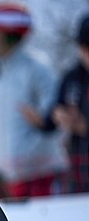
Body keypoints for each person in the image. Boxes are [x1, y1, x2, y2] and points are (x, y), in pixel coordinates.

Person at [0, 2, 68, 198]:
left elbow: (53, 119)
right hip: (7, 177)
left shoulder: (38, 68)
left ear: (9, 33)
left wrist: (28, 155)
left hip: (41, 175)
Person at [39, 13, 89, 193]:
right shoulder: (72, 78)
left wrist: (84, 127)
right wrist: (54, 116)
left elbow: (83, 126)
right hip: (78, 170)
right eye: (84, 47)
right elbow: (51, 119)